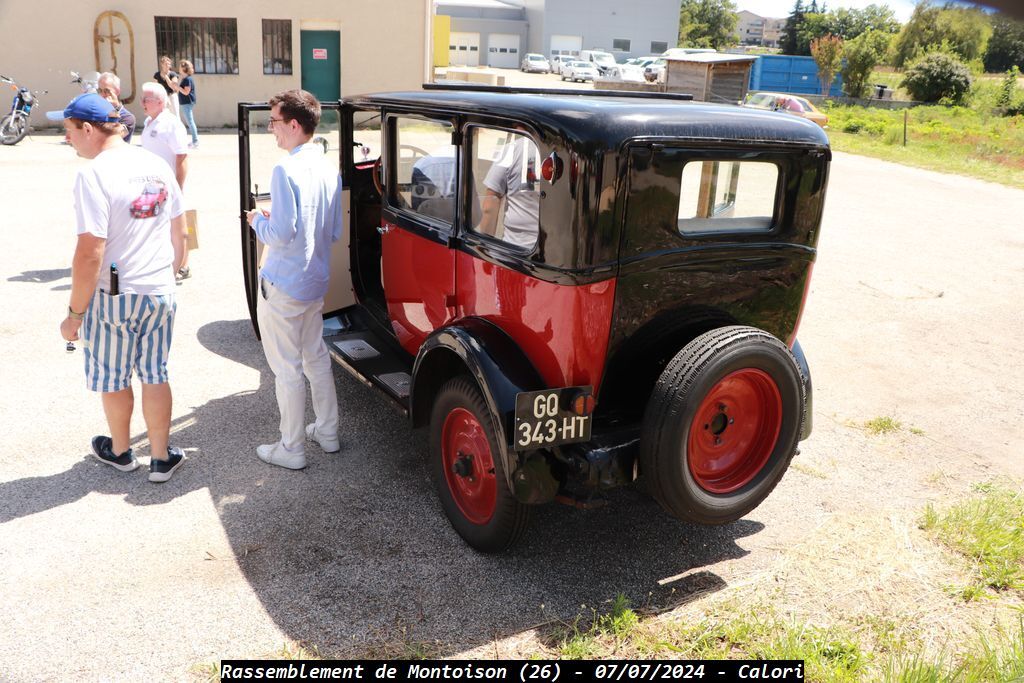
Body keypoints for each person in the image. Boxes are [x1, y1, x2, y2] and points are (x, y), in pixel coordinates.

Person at [51, 93, 188, 483]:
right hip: (160, 289)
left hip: (115, 295)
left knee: (114, 376)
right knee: (155, 373)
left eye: (69, 130)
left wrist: (74, 314)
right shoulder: (155, 163)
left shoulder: (93, 174)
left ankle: (122, 450)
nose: (68, 138)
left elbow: (89, 253)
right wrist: (171, 272)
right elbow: (180, 230)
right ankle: (161, 458)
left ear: (89, 129)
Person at [245, 89, 343, 470]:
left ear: (293, 124)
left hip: (284, 282)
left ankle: (292, 446)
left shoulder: (285, 169)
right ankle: (328, 430)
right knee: (316, 357)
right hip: (316, 279)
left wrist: (258, 221)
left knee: (287, 368)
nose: (271, 130)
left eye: (274, 122)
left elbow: (281, 235)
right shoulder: (328, 165)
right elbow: (332, 230)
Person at [140, 81, 191, 280]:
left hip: (170, 185)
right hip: (152, 185)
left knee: (178, 227)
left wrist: (179, 187)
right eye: (143, 99)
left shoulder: (171, 124)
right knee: (157, 225)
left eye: (147, 99)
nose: (143, 103)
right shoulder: (149, 122)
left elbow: (182, 157)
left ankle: (184, 265)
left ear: (161, 102)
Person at [477, 134, 541, 249]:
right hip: (561, 253)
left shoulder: (512, 149)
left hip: (516, 249)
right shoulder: (572, 151)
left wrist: (485, 248)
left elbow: (490, 205)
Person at [97, 72, 135, 143]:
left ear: (117, 91)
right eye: (99, 90)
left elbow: (110, 138)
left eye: (106, 91)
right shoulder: (97, 113)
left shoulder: (127, 118)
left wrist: (115, 108)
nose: (102, 94)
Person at [177, 60, 198, 148]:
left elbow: (186, 92)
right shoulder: (185, 79)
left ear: (184, 68)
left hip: (187, 103)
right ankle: (194, 141)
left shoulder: (187, 79)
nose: (179, 68)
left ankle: (195, 141)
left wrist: (177, 87)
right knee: (190, 121)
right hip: (185, 103)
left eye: (180, 67)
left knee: (190, 122)